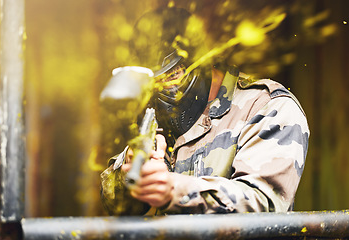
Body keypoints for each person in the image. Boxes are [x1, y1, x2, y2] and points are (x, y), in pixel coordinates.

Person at [100, 7, 309, 216]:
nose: (164, 88)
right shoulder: (155, 115)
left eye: (173, 74)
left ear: (200, 62)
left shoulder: (266, 106)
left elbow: (262, 203)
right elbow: (117, 205)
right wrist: (128, 172)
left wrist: (174, 190)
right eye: (156, 81)